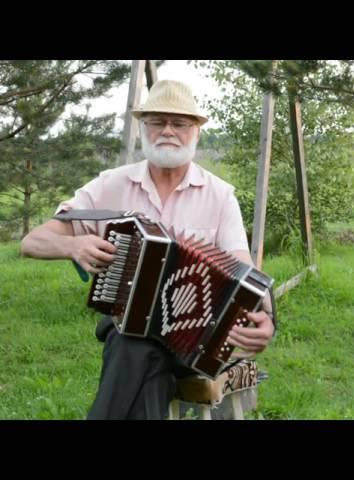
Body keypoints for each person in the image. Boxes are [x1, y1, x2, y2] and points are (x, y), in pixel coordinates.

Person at [21, 79, 275, 420]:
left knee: (136, 350)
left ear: (196, 131)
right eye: (157, 121)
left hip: (194, 343)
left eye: (179, 123)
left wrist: (268, 316)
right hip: (125, 330)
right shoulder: (112, 184)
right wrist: (73, 244)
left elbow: (243, 266)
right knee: (136, 342)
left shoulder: (219, 195)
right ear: (143, 128)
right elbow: (32, 241)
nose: (167, 130)